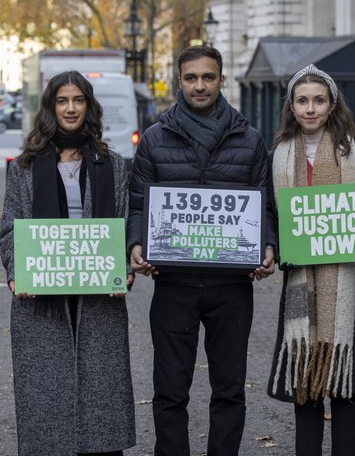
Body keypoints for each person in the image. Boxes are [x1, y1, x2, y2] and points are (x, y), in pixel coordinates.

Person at [127, 45, 276, 456]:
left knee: (229, 390)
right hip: (174, 285)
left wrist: (267, 246)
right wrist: (136, 243)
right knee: (170, 390)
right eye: (191, 77)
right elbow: (138, 203)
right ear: (179, 81)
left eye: (208, 77)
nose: (199, 85)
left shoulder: (250, 139)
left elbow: (264, 205)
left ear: (221, 80)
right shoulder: (155, 139)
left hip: (232, 287)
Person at [0, 71, 135, 456]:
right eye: (62, 101)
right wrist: (15, 274)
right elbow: (9, 230)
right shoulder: (23, 167)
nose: (71, 108)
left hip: (98, 301)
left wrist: (123, 267)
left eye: (78, 100)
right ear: (50, 107)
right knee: (46, 405)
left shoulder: (113, 164)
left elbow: (123, 226)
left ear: (88, 106)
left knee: (102, 401)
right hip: (41, 302)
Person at [266, 64, 355, 456]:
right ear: (291, 106)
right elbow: (270, 217)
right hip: (299, 288)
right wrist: (273, 245)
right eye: (302, 100)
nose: (310, 108)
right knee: (306, 389)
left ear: (332, 104)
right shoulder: (276, 157)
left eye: (318, 100)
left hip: (348, 286)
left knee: (346, 388)